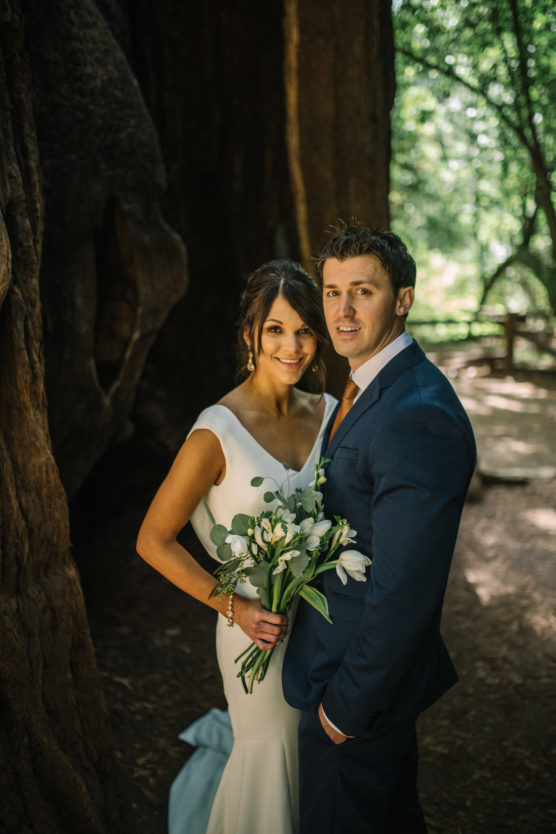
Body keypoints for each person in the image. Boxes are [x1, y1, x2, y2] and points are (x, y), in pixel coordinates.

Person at [283, 223, 477, 833]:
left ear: (403, 299)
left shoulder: (416, 413)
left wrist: (345, 711)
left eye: (362, 291)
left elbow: (405, 592)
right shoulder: (371, 385)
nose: (341, 310)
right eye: (332, 290)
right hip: (346, 676)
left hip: (358, 694)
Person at [136, 259, 336, 834]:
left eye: (303, 330)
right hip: (256, 630)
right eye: (275, 329)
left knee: (316, 762)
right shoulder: (215, 432)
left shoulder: (329, 413)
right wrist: (236, 607)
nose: (291, 346)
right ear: (250, 334)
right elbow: (153, 540)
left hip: (323, 626)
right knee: (271, 757)